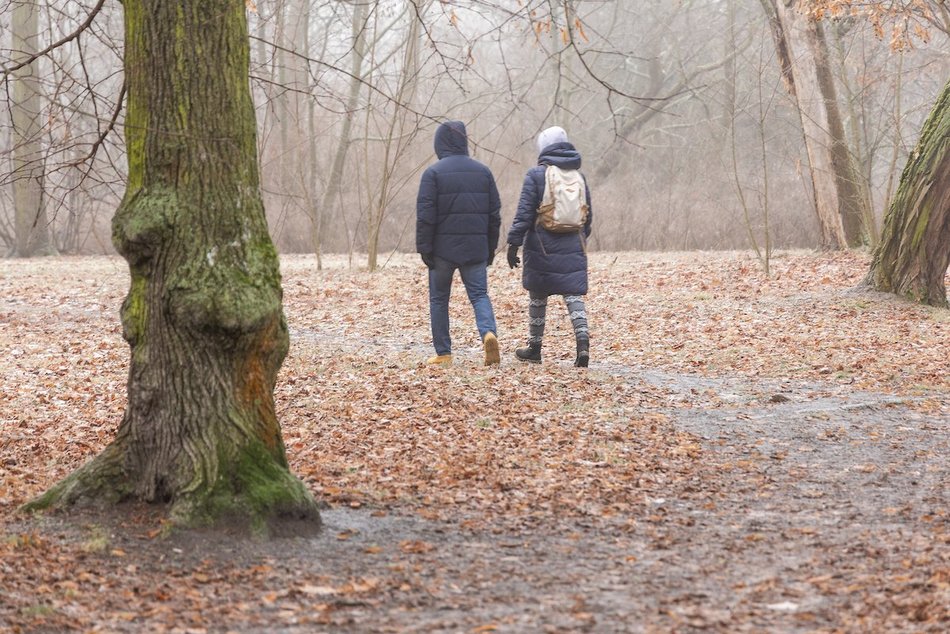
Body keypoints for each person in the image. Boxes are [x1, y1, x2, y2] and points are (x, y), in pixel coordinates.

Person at [416, 120, 502, 366]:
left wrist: (425, 249)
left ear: (439, 143)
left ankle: (443, 353)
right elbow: (494, 214)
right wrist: (490, 248)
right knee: (479, 295)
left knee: (439, 299)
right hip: (475, 249)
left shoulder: (432, 173)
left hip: (442, 251)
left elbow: (425, 216)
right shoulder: (483, 171)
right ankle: (488, 333)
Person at [506, 126, 592, 367]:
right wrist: (579, 239)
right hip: (574, 242)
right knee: (573, 294)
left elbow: (524, 213)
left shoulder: (536, 175)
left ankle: (535, 348)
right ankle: (582, 342)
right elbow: (589, 217)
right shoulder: (579, 177)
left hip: (541, 243)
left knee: (538, 294)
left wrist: (514, 243)